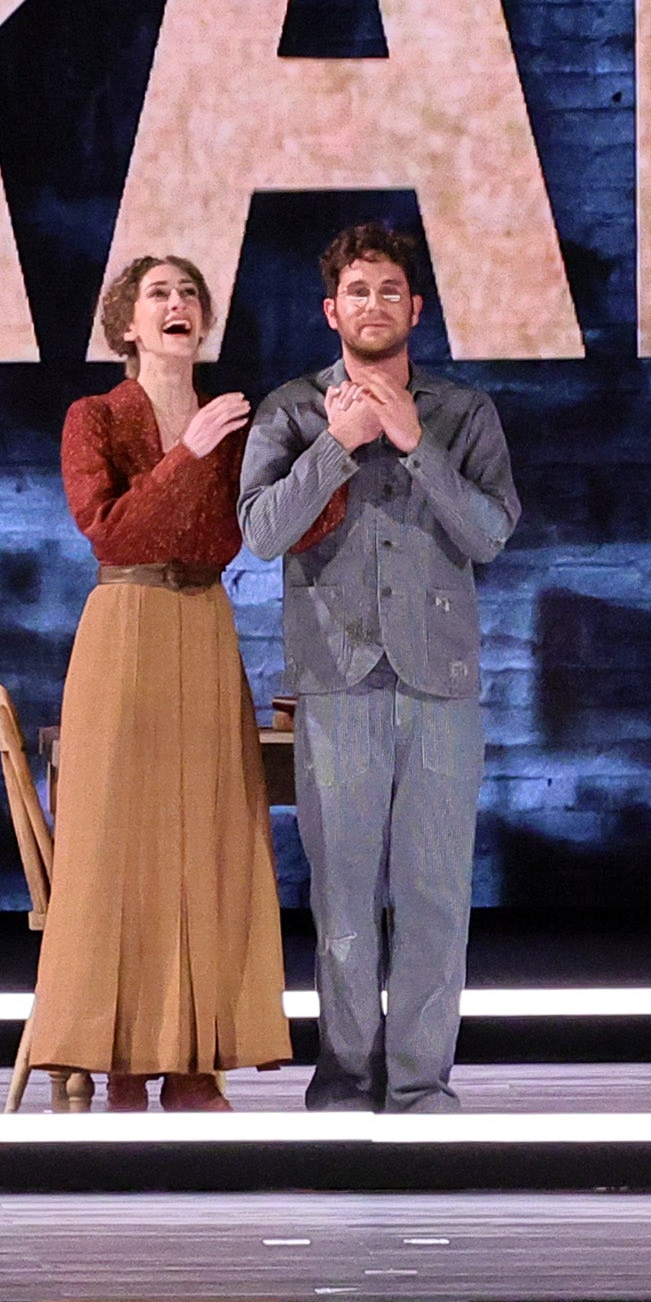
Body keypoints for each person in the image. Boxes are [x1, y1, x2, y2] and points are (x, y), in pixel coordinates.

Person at [237, 222, 518, 1113]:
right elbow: (260, 531)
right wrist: (336, 445)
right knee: (345, 897)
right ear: (331, 309)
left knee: (434, 894)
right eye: (356, 291)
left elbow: (489, 533)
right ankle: (347, 1074)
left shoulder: (463, 414)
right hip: (336, 676)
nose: (372, 305)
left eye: (388, 291)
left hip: (439, 681)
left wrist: (412, 442)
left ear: (415, 309)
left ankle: (420, 1080)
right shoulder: (290, 409)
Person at [27, 254, 295, 1110]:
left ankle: (192, 1059)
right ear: (127, 326)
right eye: (158, 295)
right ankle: (121, 1060)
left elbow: (260, 530)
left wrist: (335, 445)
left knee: (205, 837)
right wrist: (189, 451)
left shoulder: (238, 422)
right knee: (121, 843)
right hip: (129, 618)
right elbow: (111, 530)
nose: (177, 304)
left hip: (204, 622)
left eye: (188, 293)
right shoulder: (95, 416)